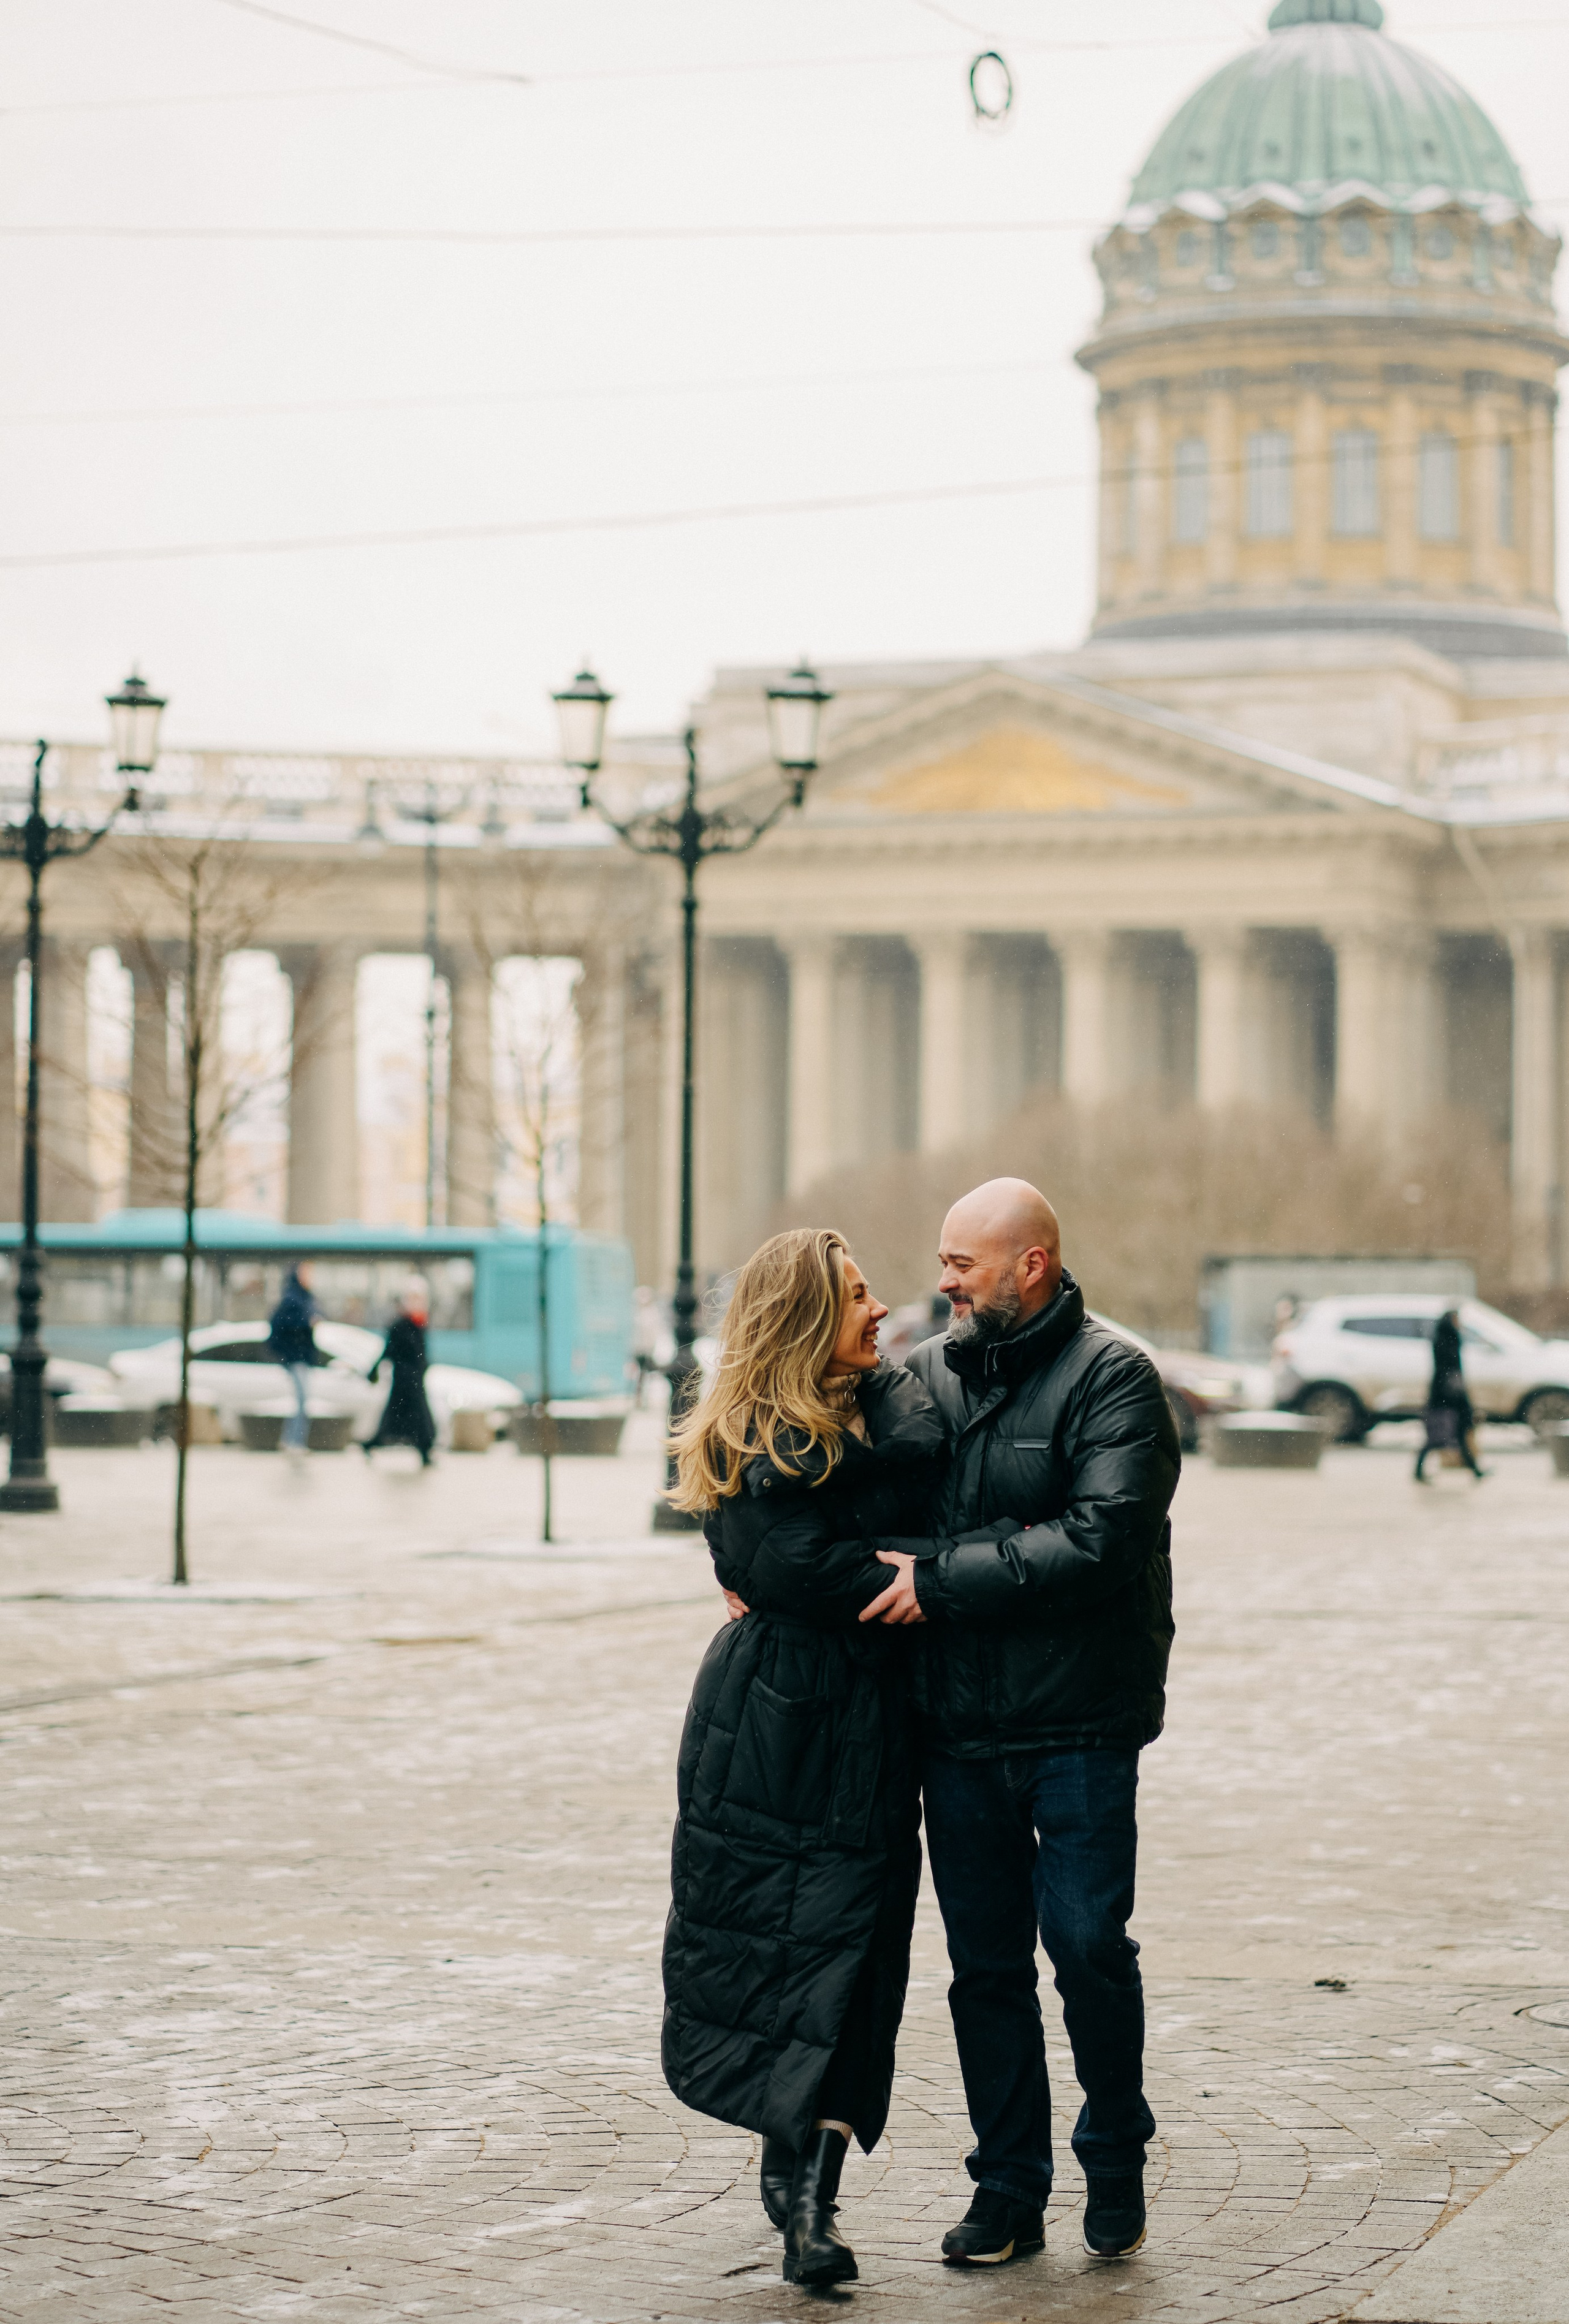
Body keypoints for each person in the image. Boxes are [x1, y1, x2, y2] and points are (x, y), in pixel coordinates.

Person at [860, 1178, 1181, 2267]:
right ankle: (1007, 2187)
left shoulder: (1117, 1378)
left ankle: (1116, 2151)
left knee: (1088, 1946)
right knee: (983, 1968)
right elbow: (846, 1505)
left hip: (1081, 1722)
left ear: (1031, 1263)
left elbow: (1101, 1542)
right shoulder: (914, 1380)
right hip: (953, 1727)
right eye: (944, 1260)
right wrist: (754, 1565)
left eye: (963, 1262)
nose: (942, 1279)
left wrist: (941, 1576)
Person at [660, 1228, 952, 2288]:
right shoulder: (756, 1435)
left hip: (868, 1721)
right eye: (859, 1295)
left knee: (856, 1954)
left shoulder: (891, 1412)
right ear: (802, 1319)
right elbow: (802, 1569)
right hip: (773, 1725)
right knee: (775, 1945)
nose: (882, 1310)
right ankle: (798, 2183)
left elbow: (823, 1564)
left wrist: (915, 1566)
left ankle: (809, 2184)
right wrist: (934, 1566)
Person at [365, 1277, 436, 1466]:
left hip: (414, 1379)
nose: (417, 1303)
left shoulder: (419, 1324)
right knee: (411, 1418)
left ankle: (423, 1449)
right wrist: (375, 1370)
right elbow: (388, 1350)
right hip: (405, 1381)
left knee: (399, 1419)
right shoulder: (400, 1325)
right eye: (413, 1298)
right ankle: (424, 1449)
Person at [1415, 1307, 1484, 1482]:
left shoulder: (1447, 1340)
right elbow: (1450, 1373)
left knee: (1454, 1435)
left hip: (1449, 1397)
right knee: (1438, 1437)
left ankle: (1475, 1470)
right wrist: (1462, 1400)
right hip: (1448, 1398)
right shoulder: (1447, 1342)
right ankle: (1418, 1471)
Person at [267, 1261, 321, 1460]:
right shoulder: (293, 1300)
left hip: (302, 1357)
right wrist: (307, 1323)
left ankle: (291, 1440)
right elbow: (285, 1325)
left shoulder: (304, 1298)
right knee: (302, 1401)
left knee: (301, 1401)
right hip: (297, 1358)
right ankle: (295, 1442)